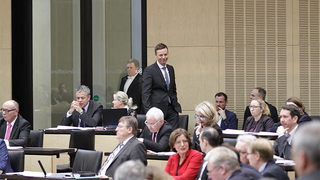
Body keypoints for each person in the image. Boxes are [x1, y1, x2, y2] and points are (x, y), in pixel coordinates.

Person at [142, 43, 181, 129]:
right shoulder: (149, 70)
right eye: (160, 55)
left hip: (172, 108)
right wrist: (149, 112)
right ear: (155, 55)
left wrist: (175, 100)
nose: (163, 57)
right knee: (160, 134)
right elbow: (146, 93)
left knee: (173, 135)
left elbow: (173, 89)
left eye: (165, 54)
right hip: (157, 109)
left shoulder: (171, 69)